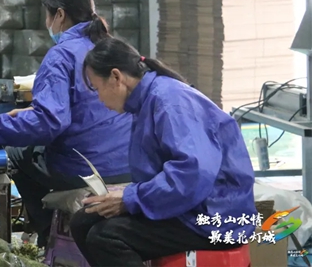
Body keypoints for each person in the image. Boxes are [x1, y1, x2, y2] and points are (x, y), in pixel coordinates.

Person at [0, 0, 133, 247]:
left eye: (47, 15)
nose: (47, 23)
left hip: (90, 170)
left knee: (16, 154)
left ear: (60, 14)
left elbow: (49, 123)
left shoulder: (62, 56)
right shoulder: (112, 48)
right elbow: (87, 108)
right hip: (130, 163)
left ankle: (47, 235)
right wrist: (30, 112)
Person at [72, 36, 256, 266]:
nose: (99, 98)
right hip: (189, 204)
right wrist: (127, 193)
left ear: (116, 77)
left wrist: (132, 198)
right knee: (84, 220)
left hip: (213, 215)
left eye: (97, 88)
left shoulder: (170, 102)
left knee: (105, 237)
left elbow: (192, 175)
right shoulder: (147, 101)